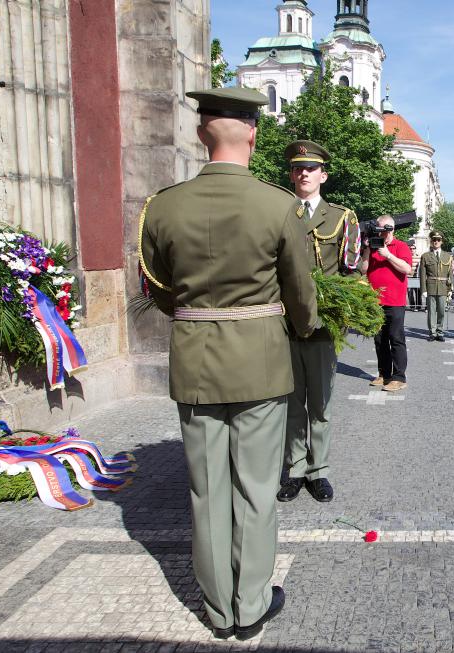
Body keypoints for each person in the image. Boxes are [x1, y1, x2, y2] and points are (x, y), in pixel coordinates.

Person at [138, 87, 317, 639]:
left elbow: (157, 285)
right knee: (257, 488)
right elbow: (301, 294)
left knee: (207, 490)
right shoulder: (277, 204)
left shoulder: (163, 205)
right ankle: (252, 603)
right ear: (253, 134)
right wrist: (302, 327)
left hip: (194, 358)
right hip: (260, 358)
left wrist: (195, 314)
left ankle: (217, 610)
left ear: (201, 134)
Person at [278, 139, 360, 505]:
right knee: (292, 402)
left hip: (324, 324)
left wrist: (343, 316)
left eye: (311, 168)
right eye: (298, 168)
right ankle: (295, 468)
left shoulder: (342, 217)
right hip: (284, 321)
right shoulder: (278, 211)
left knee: (321, 403)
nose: (304, 173)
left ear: (323, 175)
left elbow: (350, 271)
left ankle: (319, 470)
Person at [361, 215, 412, 390]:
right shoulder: (373, 245)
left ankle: (399, 377)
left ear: (391, 229)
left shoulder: (401, 246)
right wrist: (367, 250)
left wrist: (388, 255)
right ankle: (384, 374)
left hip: (395, 301)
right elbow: (363, 269)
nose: (380, 233)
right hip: (375, 300)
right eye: (378, 229)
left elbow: (407, 269)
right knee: (379, 339)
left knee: (396, 338)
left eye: (383, 229)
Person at [419, 230, 454, 342]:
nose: (436, 242)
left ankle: (440, 331)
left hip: (443, 287)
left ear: (441, 242)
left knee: (442, 311)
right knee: (431, 311)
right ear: (431, 241)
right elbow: (422, 274)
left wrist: (451, 288)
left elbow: (450, 274)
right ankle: (432, 332)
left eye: (438, 240)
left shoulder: (447, 256)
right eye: (434, 240)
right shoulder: (425, 256)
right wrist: (423, 289)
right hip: (431, 287)